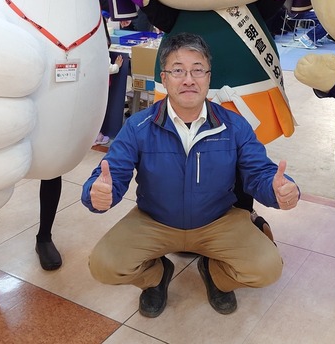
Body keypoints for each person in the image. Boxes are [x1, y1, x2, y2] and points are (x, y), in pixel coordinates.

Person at [83, 33, 299, 317]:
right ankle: (157, 276)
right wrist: (98, 193)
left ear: (209, 78)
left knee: (267, 268)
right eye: (178, 70)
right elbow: (112, 173)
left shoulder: (234, 126)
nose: (188, 79)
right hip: (156, 221)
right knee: (104, 265)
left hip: (217, 220)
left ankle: (215, 275)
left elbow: (259, 172)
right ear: (164, 78)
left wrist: (278, 190)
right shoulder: (138, 126)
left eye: (197, 70)